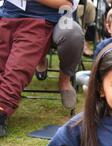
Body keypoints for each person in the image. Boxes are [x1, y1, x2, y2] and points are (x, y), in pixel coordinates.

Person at [0, 0, 75, 137]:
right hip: (6, 16)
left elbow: (66, 4)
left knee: (17, 69)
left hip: (38, 21)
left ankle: (2, 109)